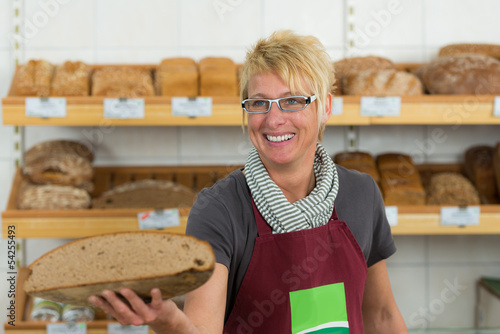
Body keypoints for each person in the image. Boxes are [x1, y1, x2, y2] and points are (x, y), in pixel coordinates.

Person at [89, 30, 408, 333]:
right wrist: (170, 322)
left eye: (292, 100)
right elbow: (202, 329)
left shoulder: (362, 194)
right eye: (259, 103)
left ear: (325, 107)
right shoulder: (220, 209)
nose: (273, 119)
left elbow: (381, 315)